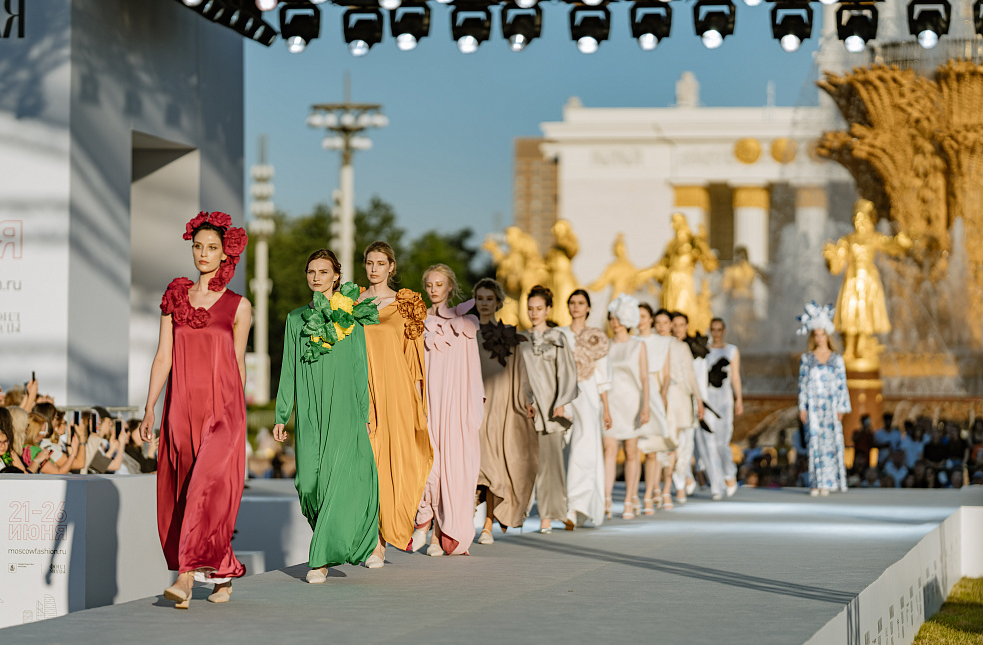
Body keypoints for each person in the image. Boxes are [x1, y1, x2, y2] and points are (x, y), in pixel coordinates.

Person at [139, 211, 251, 608]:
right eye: (198, 246)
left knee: (206, 487)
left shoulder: (240, 306)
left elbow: (238, 365)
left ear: (226, 254)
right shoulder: (175, 298)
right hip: (181, 409)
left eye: (212, 248)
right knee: (189, 492)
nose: (203, 253)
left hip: (224, 411)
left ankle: (186, 578)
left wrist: (242, 424)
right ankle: (223, 569)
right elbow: (162, 357)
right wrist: (150, 407)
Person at [273, 249, 380, 581]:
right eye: (310, 271)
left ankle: (320, 558)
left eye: (323, 271)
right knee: (308, 484)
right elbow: (288, 369)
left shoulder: (352, 318)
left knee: (341, 479)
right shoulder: (295, 320)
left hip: (345, 409)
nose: (316, 277)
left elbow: (360, 366)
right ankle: (335, 538)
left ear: (337, 275)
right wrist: (281, 413)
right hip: (309, 409)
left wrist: (364, 413)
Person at [357, 242, 432, 567]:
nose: (374, 268)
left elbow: (414, 356)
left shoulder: (406, 304)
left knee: (389, 462)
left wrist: (417, 398)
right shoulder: (349, 302)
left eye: (380, 263)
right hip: (360, 389)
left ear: (392, 267)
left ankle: (382, 540)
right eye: (370, 262)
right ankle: (366, 534)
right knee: (364, 462)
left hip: (395, 392)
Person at [413, 264, 483, 556]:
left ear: (450, 287)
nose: (433, 289)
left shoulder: (464, 324)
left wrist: (472, 406)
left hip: (453, 406)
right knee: (430, 466)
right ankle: (424, 520)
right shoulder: (417, 322)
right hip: (428, 402)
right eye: (429, 284)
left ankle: (438, 534)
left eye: (439, 284)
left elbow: (473, 370)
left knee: (451, 467)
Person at [473, 278, 538, 542]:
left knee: (495, 465)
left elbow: (520, 372)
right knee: (475, 466)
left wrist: (526, 400)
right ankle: (462, 520)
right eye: (480, 299)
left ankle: (488, 524)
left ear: (498, 302)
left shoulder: (510, 336)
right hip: (474, 405)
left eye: (489, 299)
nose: (484, 303)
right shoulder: (467, 333)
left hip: (501, 407)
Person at [522, 285, 579, 533]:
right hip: (526, 410)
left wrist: (561, 402)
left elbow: (567, 372)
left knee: (551, 465)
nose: (534, 313)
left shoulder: (558, 338)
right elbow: (517, 376)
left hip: (551, 410)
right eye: (530, 309)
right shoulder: (520, 339)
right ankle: (518, 513)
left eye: (538, 309)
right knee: (525, 465)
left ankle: (548, 515)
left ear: (548, 309)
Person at [558, 289, 609, 527]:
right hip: (564, 395)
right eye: (572, 302)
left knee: (584, 447)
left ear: (588, 308)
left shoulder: (597, 336)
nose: (576, 306)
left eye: (580, 303)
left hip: (588, 397)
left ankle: (575, 507)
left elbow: (603, 375)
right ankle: (571, 506)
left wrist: (606, 408)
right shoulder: (559, 334)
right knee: (566, 450)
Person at [600, 294, 650, 519]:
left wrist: (645, 405)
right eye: (612, 317)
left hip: (632, 402)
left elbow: (645, 378)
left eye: (618, 317)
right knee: (609, 450)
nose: (614, 322)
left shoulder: (638, 346)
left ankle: (630, 498)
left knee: (631, 451)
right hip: (610, 402)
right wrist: (603, 406)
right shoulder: (605, 345)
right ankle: (606, 499)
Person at [796, 302, 851, 496]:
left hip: (831, 404)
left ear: (827, 335)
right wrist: (802, 406)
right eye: (816, 335)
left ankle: (830, 481)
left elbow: (841, 383)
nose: (819, 338)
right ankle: (817, 481)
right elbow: (802, 383)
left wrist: (842, 407)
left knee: (831, 442)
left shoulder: (836, 359)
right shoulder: (807, 359)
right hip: (814, 407)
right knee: (815, 441)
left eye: (822, 334)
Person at [670, 312, 711, 502]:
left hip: (687, 399)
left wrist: (700, 400)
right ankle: (681, 480)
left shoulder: (694, 347)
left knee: (687, 441)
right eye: (674, 324)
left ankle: (684, 476)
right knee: (672, 442)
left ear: (687, 326)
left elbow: (694, 377)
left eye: (681, 324)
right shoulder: (666, 345)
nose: (678, 328)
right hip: (669, 398)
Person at [635, 303, 671, 515]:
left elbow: (666, 374)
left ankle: (648, 494)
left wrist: (663, 395)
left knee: (651, 449)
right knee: (632, 448)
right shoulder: (629, 341)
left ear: (650, 319)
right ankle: (633, 495)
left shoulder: (661, 342)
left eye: (643, 316)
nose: (640, 320)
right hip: (631, 395)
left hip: (653, 396)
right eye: (637, 316)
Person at [707, 317, 742, 497]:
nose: (716, 333)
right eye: (713, 329)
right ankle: (717, 483)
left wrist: (739, 399)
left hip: (724, 400)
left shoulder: (731, 350)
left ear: (724, 331)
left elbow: (735, 377)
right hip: (708, 401)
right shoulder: (704, 350)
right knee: (710, 443)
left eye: (719, 329)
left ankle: (729, 473)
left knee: (722, 441)